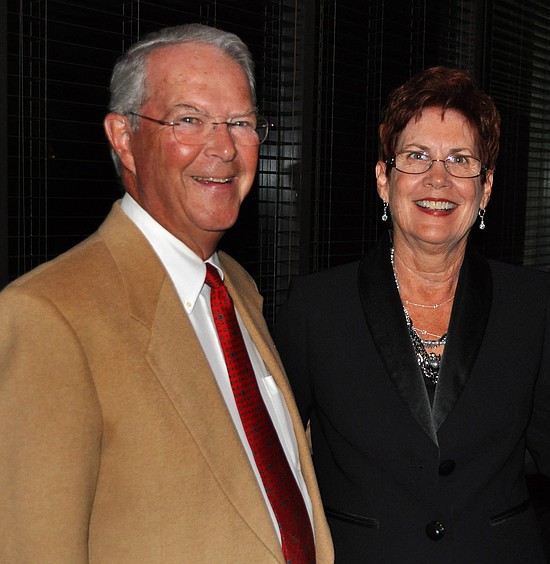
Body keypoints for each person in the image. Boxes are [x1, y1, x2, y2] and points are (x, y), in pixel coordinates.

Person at [0, 24, 332, 563]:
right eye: (189, 120)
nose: (223, 147)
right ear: (123, 138)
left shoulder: (238, 290)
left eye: (241, 123)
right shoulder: (48, 318)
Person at [274, 66, 550, 562]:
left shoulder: (531, 303)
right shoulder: (316, 307)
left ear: (487, 188)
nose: (439, 179)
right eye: (416, 157)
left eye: (460, 160)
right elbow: (272, 465)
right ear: (383, 181)